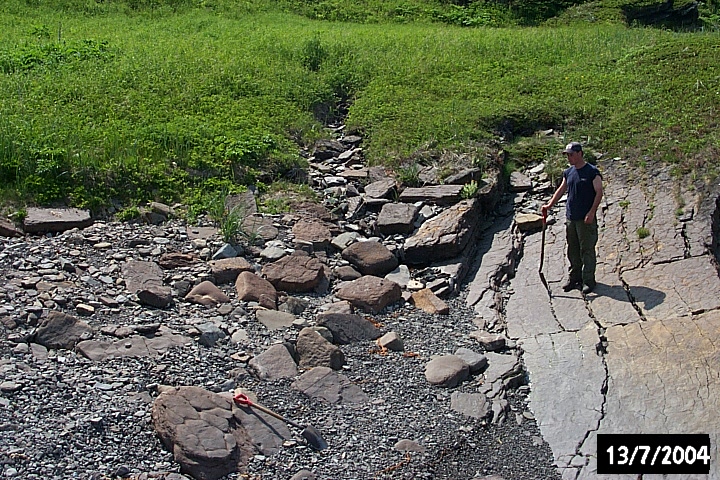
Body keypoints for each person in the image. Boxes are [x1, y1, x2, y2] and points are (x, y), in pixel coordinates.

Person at [541, 142, 603, 294]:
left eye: (571, 154)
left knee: (587, 249)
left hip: (585, 218)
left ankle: (588, 280)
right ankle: (574, 278)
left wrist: (592, 212)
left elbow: (599, 192)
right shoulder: (568, 172)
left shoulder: (592, 172)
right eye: (567, 155)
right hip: (571, 217)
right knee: (572, 249)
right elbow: (561, 190)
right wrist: (549, 205)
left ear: (580, 153)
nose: (569, 157)